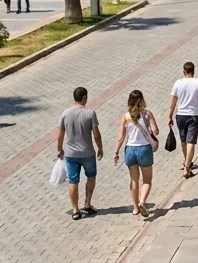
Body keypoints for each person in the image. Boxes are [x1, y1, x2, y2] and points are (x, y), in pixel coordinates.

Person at [56, 86, 104, 220]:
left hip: (71, 154)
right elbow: (96, 134)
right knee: (91, 177)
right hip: (87, 153)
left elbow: (60, 134)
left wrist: (59, 148)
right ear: (84, 98)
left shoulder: (65, 113)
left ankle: (75, 209)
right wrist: (100, 148)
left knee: (73, 181)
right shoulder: (90, 113)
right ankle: (87, 203)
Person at [112, 89, 159, 220]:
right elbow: (156, 131)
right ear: (142, 100)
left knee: (134, 180)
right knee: (147, 180)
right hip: (144, 149)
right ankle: (142, 202)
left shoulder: (125, 117)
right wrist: (150, 129)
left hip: (130, 150)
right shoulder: (147, 114)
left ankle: (135, 208)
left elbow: (121, 137)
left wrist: (116, 152)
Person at [167, 62, 198, 179]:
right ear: (193, 72)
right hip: (194, 115)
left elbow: (173, 102)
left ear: (184, 72)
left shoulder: (178, 83)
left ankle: (187, 162)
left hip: (180, 115)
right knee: (191, 141)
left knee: (184, 141)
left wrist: (169, 116)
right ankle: (187, 167)